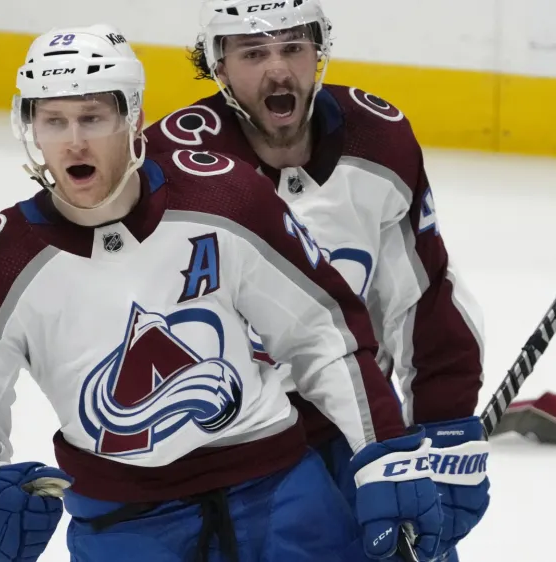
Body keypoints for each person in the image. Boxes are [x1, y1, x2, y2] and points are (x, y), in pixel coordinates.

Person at [0, 23, 461, 562]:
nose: (72, 142)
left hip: (281, 496)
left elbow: (323, 335)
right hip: (124, 525)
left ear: (133, 118)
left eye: (92, 117)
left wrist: (384, 453)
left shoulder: (227, 199)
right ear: (31, 129)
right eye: (54, 121)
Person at [143, 1, 493, 559]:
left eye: (292, 49)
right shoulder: (170, 165)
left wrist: (447, 423)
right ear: (219, 66)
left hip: (355, 425)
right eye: (254, 53)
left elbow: (421, 298)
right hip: (227, 449)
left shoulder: (377, 142)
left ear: (319, 53)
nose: (278, 70)